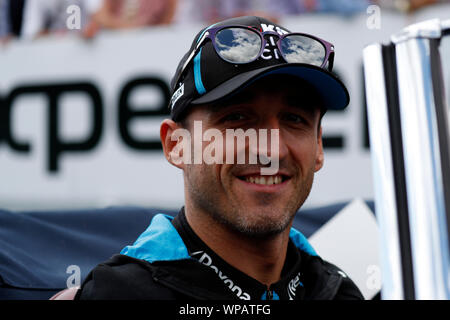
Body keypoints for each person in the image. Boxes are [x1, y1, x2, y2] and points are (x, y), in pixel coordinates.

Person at [75, 15, 364, 300]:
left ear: (318, 146)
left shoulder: (340, 291)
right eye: (237, 118)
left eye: (294, 119)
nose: (271, 151)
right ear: (176, 145)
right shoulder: (120, 293)